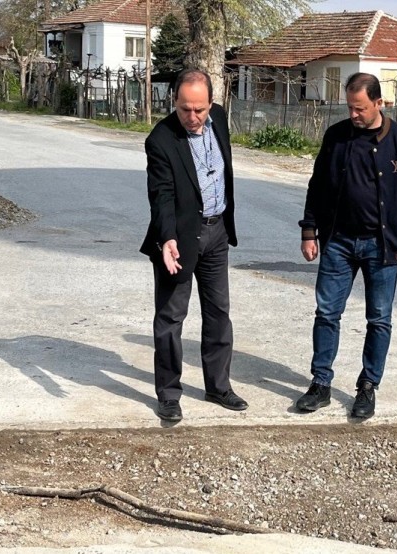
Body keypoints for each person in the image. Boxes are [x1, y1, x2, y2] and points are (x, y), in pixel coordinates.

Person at [296, 72, 397, 419]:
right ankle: (321, 384)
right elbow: (318, 186)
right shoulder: (337, 137)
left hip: (382, 246)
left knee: (379, 319)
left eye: (360, 109)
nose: (353, 115)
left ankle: (368, 386)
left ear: (379, 103)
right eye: (350, 108)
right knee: (327, 313)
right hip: (339, 241)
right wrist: (309, 230)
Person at [140, 69, 248, 423]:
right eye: (185, 109)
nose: (192, 116)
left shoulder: (218, 119)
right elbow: (162, 196)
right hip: (181, 239)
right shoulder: (161, 139)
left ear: (211, 104)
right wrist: (167, 237)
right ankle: (169, 394)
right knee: (171, 318)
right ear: (174, 102)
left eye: (199, 109)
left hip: (217, 233)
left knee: (219, 313)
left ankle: (218, 386)